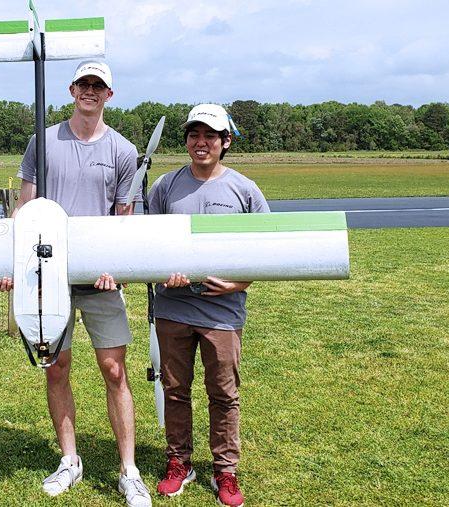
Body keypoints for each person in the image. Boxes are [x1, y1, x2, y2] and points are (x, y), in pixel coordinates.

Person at [0, 60, 151, 507]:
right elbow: (24, 210)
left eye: (97, 86)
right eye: (83, 84)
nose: (89, 91)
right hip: (47, 278)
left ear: (109, 95)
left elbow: (122, 219)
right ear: (71, 90)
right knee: (57, 368)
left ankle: (129, 469)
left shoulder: (123, 150)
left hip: (100, 281)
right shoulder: (42, 141)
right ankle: (69, 460)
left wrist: (113, 266)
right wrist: (16, 265)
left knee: (115, 370)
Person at [145, 104, 267, 507]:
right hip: (173, 309)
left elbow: (267, 248)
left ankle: (225, 471)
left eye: (210, 136)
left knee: (224, 393)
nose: (201, 143)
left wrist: (238, 282)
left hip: (223, 313)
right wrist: (164, 273)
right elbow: (146, 243)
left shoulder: (244, 189)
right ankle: (179, 463)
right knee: (175, 390)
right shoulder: (165, 186)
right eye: (194, 135)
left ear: (225, 142)